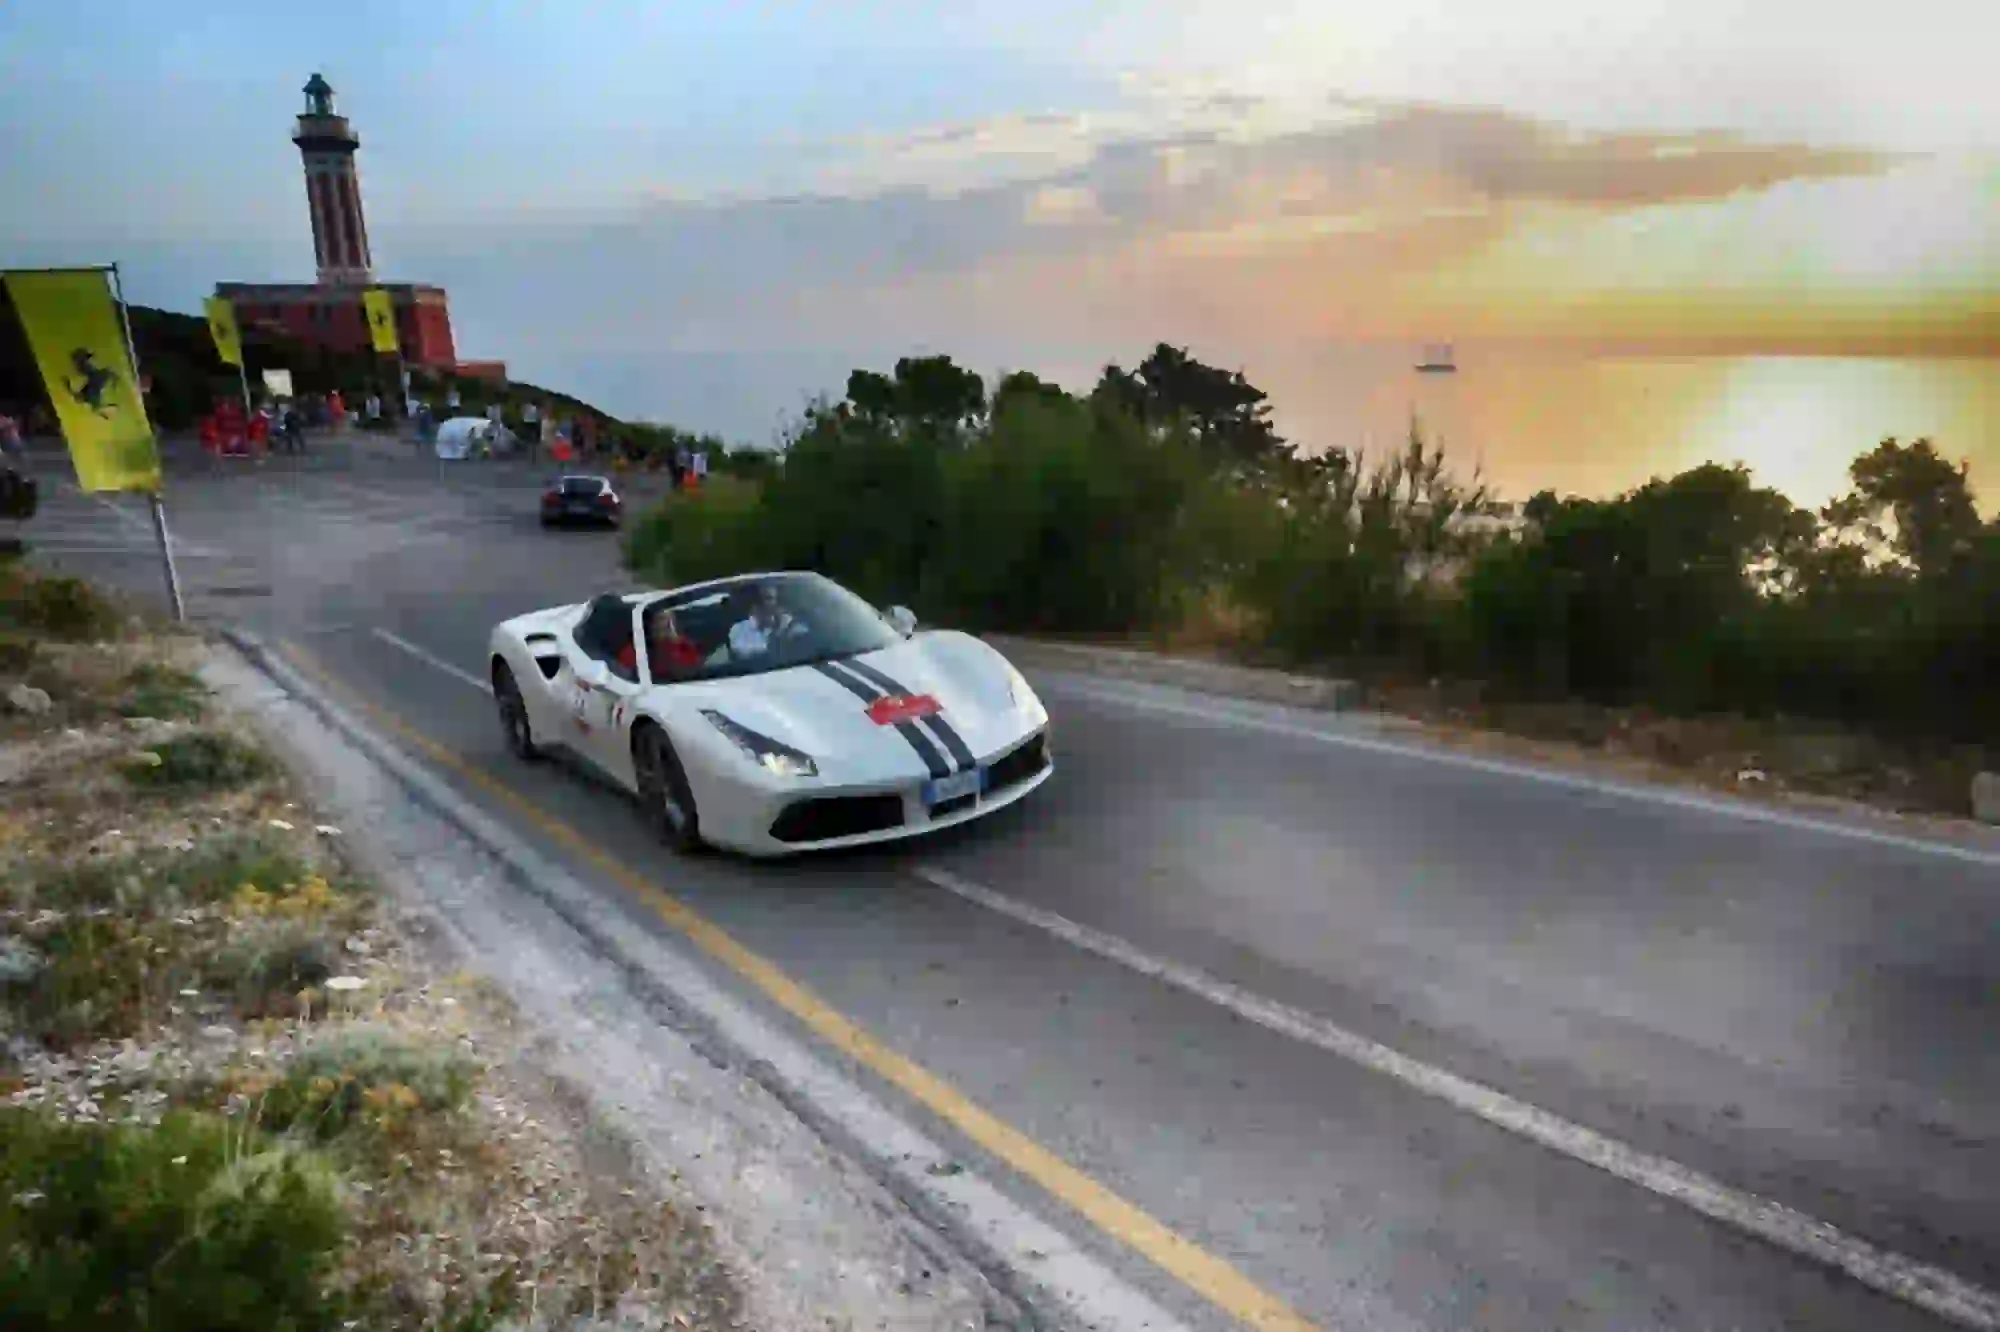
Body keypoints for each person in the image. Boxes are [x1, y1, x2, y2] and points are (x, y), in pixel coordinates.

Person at [725, 582, 800, 659]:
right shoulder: (739, 630)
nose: (765, 604)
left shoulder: (789, 623)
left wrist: (783, 629)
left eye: (770, 598)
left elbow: (802, 645)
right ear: (752, 604)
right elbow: (744, 659)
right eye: (759, 599)